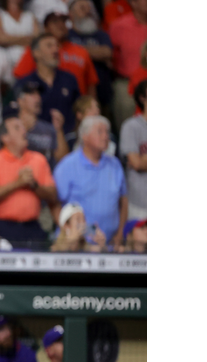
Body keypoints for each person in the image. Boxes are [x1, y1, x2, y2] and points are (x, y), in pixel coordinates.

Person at [0, 115, 57, 248]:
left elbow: (53, 195)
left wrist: (34, 185)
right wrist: (17, 183)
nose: (24, 131)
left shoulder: (38, 159)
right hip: (3, 228)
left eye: (23, 127)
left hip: (32, 227)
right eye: (17, 128)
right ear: (5, 138)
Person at [53, 116, 127, 248]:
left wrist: (120, 233)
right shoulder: (67, 166)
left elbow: (123, 201)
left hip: (108, 245)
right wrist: (69, 234)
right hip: (76, 246)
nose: (106, 137)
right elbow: (54, 204)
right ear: (85, 136)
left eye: (107, 132)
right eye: (100, 132)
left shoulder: (115, 164)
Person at [13, 12, 97, 98]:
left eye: (63, 21)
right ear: (46, 28)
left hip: (77, 104)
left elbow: (91, 83)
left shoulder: (82, 51)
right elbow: (21, 79)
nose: (60, 25)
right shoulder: (37, 50)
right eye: (55, 21)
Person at [15, 33, 81, 134]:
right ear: (36, 53)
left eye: (56, 46)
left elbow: (79, 111)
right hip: (36, 141)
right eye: (49, 46)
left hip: (68, 139)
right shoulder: (24, 83)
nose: (55, 50)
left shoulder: (70, 79)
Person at [9, 81, 68, 168]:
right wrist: (24, 129)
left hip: (45, 177)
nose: (38, 98)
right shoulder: (10, 127)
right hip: (19, 176)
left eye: (38, 94)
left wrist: (59, 130)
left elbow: (63, 160)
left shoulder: (49, 128)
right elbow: (5, 157)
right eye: (32, 94)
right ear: (20, 101)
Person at [66, 0, 114, 109]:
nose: (88, 11)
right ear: (71, 14)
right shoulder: (67, 35)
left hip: (102, 88)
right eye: (82, 8)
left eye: (89, 8)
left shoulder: (100, 34)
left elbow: (107, 52)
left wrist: (75, 50)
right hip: (75, 89)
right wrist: (95, 52)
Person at [109, 0, 146, 131]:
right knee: (124, 103)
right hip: (127, 81)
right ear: (134, 3)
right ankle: (127, 147)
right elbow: (110, 55)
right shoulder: (119, 26)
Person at [119, 80, 146, 220]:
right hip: (139, 205)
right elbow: (136, 163)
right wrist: (139, 161)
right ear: (143, 98)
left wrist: (143, 159)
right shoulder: (131, 126)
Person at [0, 0, 39, 65]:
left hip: (29, 60)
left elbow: (36, 40)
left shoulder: (30, 15)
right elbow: (0, 39)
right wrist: (26, 39)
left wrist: (9, 39)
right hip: (6, 60)